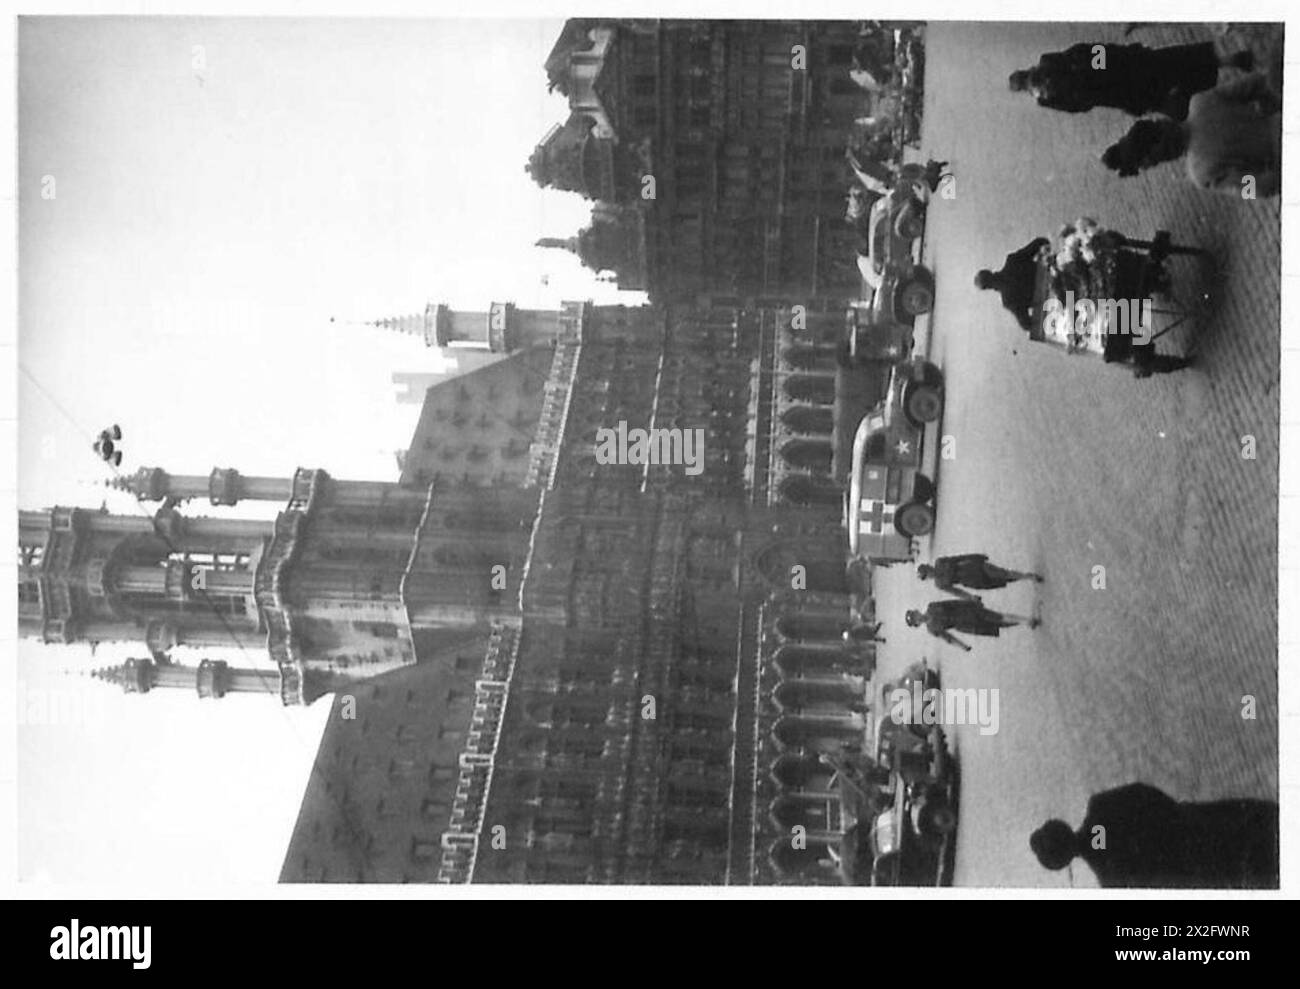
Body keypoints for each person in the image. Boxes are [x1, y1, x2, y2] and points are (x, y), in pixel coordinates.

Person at [1030, 783, 1279, 888]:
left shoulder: (1113, 882)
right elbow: (1152, 797)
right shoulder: (1102, 805)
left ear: (1063, 863)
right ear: (1060, 825)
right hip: (1213, 822)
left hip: (1224, 870)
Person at [1101, 72, 1281, 197]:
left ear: (1163, 154)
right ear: (1161, 123)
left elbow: (1256, 188)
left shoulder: (1202, 171)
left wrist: (1276, 173)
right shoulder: (1201, 102)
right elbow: (1257, 83)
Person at [1009, 41, 1251, 119]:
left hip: (1121, 93)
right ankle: (1232, 60)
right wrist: (1105, 65)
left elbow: (1079, 108)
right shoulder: (1053, 60)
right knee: (1180, 61)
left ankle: (1236, 99)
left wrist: (1095, 88)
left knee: (1179, 97)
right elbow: (1096, 50)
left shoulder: (1047, 98)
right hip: (1129, 65)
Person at [975, 237, 1050, 331]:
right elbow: (1040, 242)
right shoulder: (1012, 260)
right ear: (990, 271)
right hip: (1063, 271)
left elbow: (1027, 325)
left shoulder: (1008, 300)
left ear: (988, 288)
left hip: (1061, 299)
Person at [904, 599, 1038, 652]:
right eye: (915, 620)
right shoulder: (932, 629)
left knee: (998, 617)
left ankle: (1026, 620)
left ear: (916, 611)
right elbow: (948, 638)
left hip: (968, 611)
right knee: (999, 626)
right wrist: (962, 646)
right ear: (917, 624)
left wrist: (971, 601)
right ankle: (1022, 622)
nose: (918, 618)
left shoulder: (932, 606)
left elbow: (953, 603)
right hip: (966, 626)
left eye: (915, 615)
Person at [918, 554, 1042, 599]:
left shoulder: (940, 562)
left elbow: (959, 558)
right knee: (1003, 581)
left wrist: (977, 557)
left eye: (927, 571)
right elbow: (957, 592)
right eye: (926, 575)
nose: (929, 574)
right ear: (927, 578)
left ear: (928, 566)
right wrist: (971, 597)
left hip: (974, 567)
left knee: (1003, 574)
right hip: (974, 581)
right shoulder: (940, 584)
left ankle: (1028, 577)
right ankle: (1024, 577)